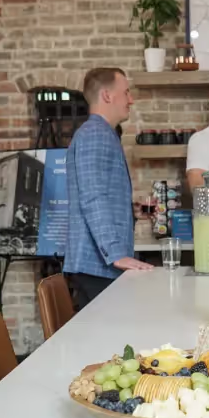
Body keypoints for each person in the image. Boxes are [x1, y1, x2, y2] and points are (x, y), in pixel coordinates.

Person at [63, 67, 152, 309]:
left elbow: (97, 193)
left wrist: (128, 211)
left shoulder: (101, 133)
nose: (130, 100)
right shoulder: (95, 134)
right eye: (126, 92)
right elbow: (93, 197)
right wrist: (116, 254)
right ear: (107, 95)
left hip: (97, 264)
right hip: (97, 264)